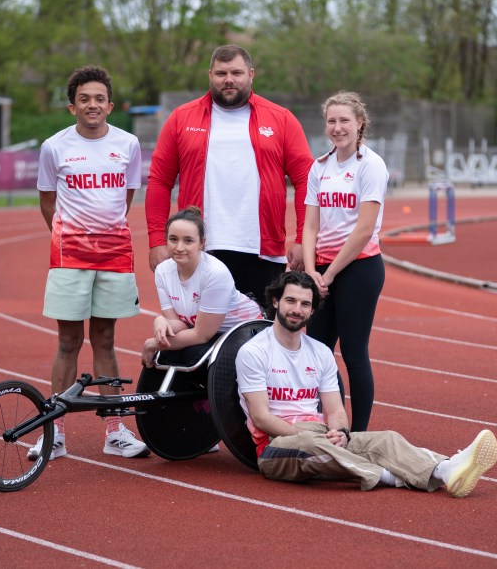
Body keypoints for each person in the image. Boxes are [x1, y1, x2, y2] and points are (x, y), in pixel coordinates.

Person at [235, 272, 497, 496]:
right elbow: (261, 417)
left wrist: (340, 432)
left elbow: (335, 410)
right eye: (290, 300)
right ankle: (386, 475)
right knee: (314, 448)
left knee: (386, 440)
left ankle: (446, 469)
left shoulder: (320, 352)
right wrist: (314, 438)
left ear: (312, 310)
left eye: (305, 304)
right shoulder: (254, 351)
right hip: (276, 444)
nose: (297, 309)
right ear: (275, 301)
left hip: (318, 433)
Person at [30, 65, 150, 461]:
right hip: (69, 255)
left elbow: (126, 196)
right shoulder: (54, 147)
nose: (92, 105)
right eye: (84, 99)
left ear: (110, 105)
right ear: (72, 107)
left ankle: (115, 431)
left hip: (115, 254)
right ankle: (54, 433)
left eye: (99, 98)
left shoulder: (129, 144)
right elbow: (48, 202)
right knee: (68, 341)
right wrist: (71, 237)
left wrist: (102, 235)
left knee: (105, 340)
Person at [145, 45, 313, 307]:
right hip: (200, 250)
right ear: (210, 74)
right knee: (200, 338)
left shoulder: (281, 119)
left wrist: (303, 239)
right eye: (221, 73)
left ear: (251, 74)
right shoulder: (181, 118)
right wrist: (157, 240)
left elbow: (306, 181)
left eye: (237, 72)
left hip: (262, 254)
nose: (229, 80)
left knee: (259, 337)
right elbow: (159, 181)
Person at [302, 91, 388, 432]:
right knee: (318, 354)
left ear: (359, 124)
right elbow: (310, 224)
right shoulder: (319, 166)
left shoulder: (371, 165)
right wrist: (311, 271)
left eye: (344, 121)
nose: (338, 128)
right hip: (320, 270)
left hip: (359, 269)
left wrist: (331, 273)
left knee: (353, 353)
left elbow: (364, 229)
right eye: (332, 121)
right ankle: (330, 425)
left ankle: (360, 434)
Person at [141, 206, 262, 368]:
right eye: (173, 239)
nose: (179, 247)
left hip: (246, 332)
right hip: (208, 332)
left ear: (201, 243)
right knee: (171, 352)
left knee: (190, 353)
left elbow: (201, 335)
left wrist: (152, 344)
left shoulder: (214, 273)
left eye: (188, 241)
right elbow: (179, 324)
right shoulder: (162, 271)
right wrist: (160, 321)